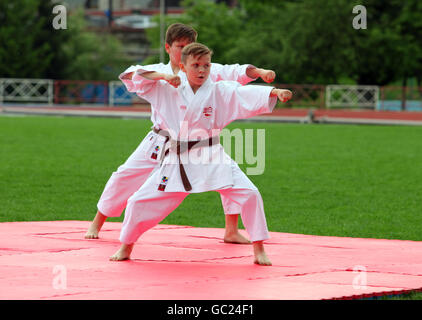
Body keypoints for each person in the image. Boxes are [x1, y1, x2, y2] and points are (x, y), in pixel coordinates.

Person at [85, 23, 277, 243]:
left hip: (200, 142)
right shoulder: (160, 70)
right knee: (125, 175)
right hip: (160, 139)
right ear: (168, 47)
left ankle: (231, 231)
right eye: (180, 45)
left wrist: (261, 73)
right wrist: (163, 77)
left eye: (190, 45)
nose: (185, 49)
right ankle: (98, 221)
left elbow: (235, 70)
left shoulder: (205, 70)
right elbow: (132, 74)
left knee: (226, 178)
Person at [109, 43, 292, 265]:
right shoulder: (166, 86)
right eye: (195, 65)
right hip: (177, 160)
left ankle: (259, 249)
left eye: (206, 65)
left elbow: (243, 93)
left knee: (250, 194)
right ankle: (126, 246)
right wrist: (164, 76)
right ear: (183, 67)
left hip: (211, 155)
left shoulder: (217, 90)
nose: (202, 70)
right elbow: (133, 74)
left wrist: (275, 92)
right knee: (139, 201)